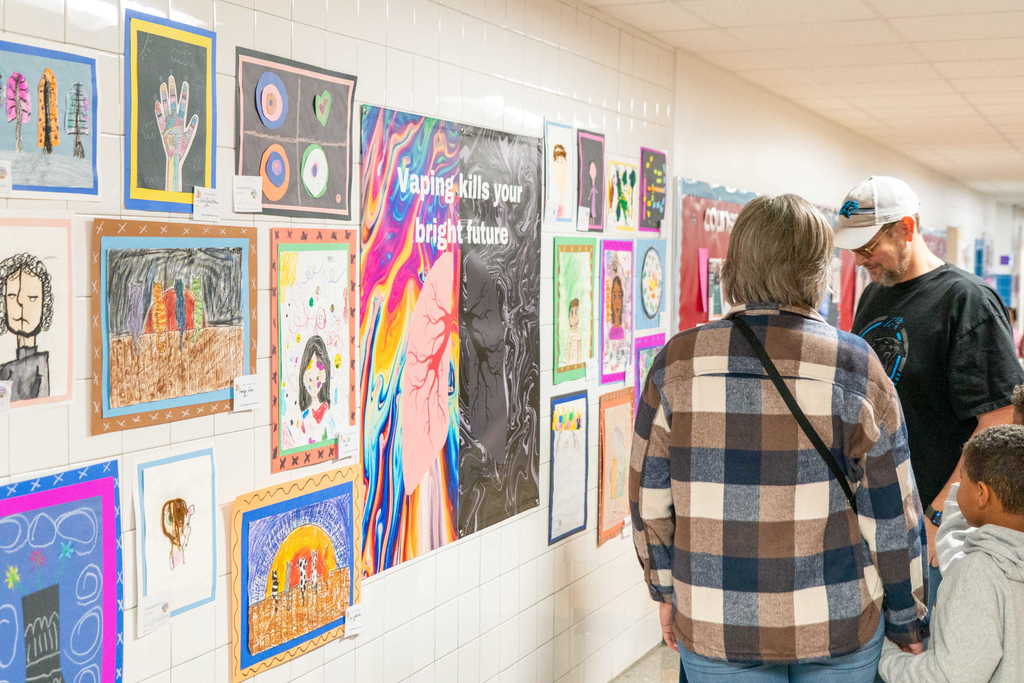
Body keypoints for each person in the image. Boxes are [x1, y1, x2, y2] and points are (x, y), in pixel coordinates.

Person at [630, 194, 927, 682]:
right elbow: (892, 514)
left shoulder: (677, 363)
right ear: (818, 269)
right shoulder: (855, 365)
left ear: (739, 263)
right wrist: (905, 616)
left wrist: (665, 592)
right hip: (837, 620)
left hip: (717, 617)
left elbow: (649, 501)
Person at [836, 175, 1024, 610]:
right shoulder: (873, 297)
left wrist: (939, 515)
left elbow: (995, 423)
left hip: (936, 526)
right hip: (879, 518)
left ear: (906, 228)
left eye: (869, 246)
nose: (862, 259)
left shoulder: (967, 301)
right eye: (855, 250)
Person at [879, 425, 1024, 682]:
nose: (957, 488)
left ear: (982, 493)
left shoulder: (980, 573)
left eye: (962, 479)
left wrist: (887, 656)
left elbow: (951, 676)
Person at [0, 252, 53, 401]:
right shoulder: (4, 369)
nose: (20, 303)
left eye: (32, 298)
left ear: (45, 305)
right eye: (11, 295)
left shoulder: (41, 366)